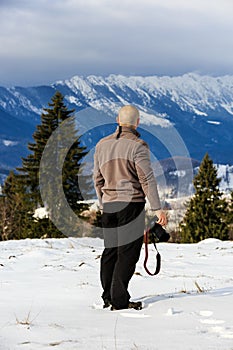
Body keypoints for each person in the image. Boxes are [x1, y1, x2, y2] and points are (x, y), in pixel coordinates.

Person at [93, 105, 167, 310]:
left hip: (109, 205)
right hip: (131, 205)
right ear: (138, 122)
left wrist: (103, 201)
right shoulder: (138, 145)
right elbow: (146, 178)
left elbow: (97, 178)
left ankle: (108, 296)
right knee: (128, 253)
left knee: (111, 251)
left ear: (118, 119)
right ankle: (119, 301)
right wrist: (157, 208)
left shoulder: (101, 144)